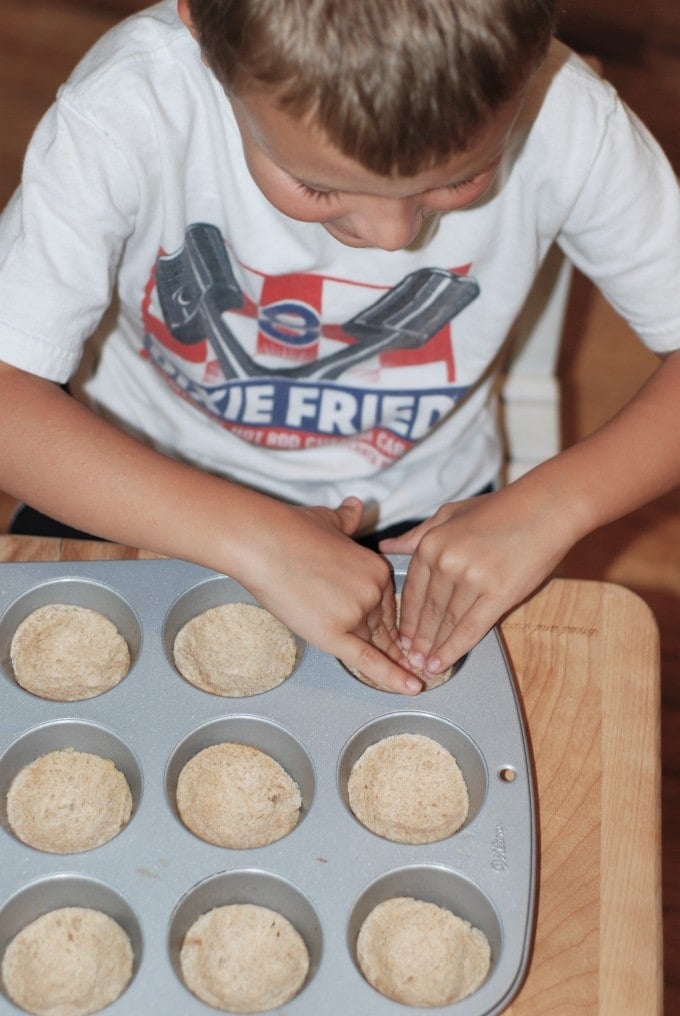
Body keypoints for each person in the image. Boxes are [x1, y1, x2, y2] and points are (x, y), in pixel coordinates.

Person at [0, 0, 678, 694]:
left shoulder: (571, 122)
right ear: (204, 31)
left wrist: (557, 506)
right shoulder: (130, 105)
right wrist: (251, 538)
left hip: (423, 524)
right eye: (321, 187)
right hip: (134, 484)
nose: (393, 236)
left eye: (457, 180)